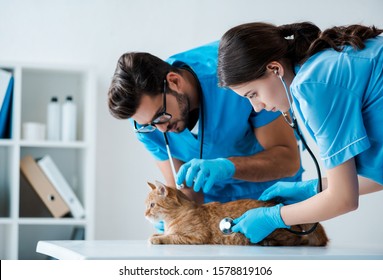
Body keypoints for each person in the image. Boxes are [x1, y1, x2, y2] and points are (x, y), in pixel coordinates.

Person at [217, 22, 383, 243]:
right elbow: (382, 174)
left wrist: (273, 217)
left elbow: (344, 199)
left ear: (275, 69)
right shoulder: (323, 65)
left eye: (253, 94)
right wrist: (314, 188)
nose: (256, 107)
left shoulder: (311, 86)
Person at [107, 41, 303, 211]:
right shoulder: (146, 127)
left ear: (174, 81)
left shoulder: (235, 78)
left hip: (271, 198)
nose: (161, 129)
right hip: (211, 210)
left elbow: (288, 159)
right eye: (149, 124)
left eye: (161, 116)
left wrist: (229, 167)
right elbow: (186, 191)